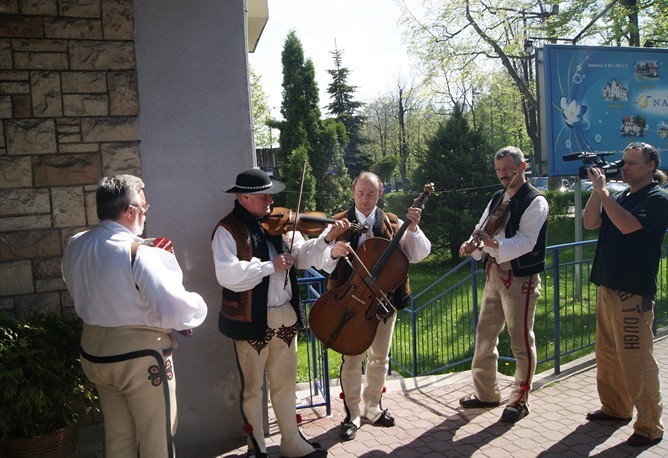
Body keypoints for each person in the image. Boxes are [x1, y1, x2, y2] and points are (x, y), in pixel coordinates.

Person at [62, 174, 208, 457]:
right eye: (144, 207)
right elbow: (173, 309)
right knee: (158, 438)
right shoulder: (140, 252)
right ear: (131, 211)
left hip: (94, 351)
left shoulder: (76, 244)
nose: (145, 213)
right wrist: (199, 305)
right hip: (139, 358)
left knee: (118, 436)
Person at [211, 168, 350, 458]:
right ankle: (256, 447)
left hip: (284, 315)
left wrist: (325, 240)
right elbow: (227, 273)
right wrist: (269, 267)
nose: (270, 202)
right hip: (250, 319)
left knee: (285, 384)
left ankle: (292, 442)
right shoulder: (228, 229)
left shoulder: (282, 225)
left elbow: (302, 257)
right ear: (245, 197)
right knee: (252, 388)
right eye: (264, 196)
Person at [319, 172, 431, 441]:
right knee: (352, 358)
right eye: (361, 193)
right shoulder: (338, 222)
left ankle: (373, 408)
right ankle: (352, 414)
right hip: (349, 301)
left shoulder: (393, 223)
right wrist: (333, 252)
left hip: (382, 303)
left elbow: (420, 253)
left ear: (380, 194)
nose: (365, 199)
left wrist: (413, 229)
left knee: (380, 357)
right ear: (353, 192)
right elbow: (320, 262)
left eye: (371, 194)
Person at [583, 142, 668, 447]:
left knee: (636, 361)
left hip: (632, 293)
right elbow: (590, 222)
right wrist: (598, 191)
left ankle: (649, 426)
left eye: (632, 163)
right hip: (607, 286)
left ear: (651, 166)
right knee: (607, 356)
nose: (625, 167)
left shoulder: (657, 199)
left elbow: (626, 226)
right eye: (624, 162)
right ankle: (616, 408)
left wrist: (605, 193)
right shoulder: (620, 196)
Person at [458, 146, 549, 423]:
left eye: (508, 169)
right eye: (499, 170)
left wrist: (491, 244)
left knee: (521, 340)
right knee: (485, 334)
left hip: (521, 277)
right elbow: (482, 227)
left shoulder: (536, 201)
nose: (503, 174)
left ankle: (520, 399)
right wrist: (473, 246)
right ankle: (486, 394)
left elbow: (525, 242)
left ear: (523, 167)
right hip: (494, 274)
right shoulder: (497, 197)